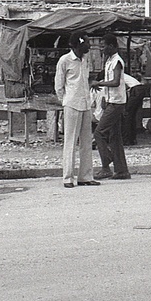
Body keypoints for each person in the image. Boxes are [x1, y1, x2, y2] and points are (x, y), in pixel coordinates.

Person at [54, 33, 99, 188]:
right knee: (70, 141)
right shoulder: (65, 60)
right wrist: (66, 101)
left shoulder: (85, 60)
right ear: (79, 44)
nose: (89, 45)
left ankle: (85, 176)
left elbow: (85, 81)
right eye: (87, 42)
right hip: (72, 104)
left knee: (86, 141)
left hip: (85, 104)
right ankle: (68, 177)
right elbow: (59, 85)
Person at [93, 33, 131, 180]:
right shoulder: (109, 61)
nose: (102, 49)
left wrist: (99, 83)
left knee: (99, 133)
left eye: (104, 46)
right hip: (112, 100)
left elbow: (115, 82)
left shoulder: (117, 61)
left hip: (117, 102)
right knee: (115, 137)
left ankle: (106, 164)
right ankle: (122, 171)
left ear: (111, 46)